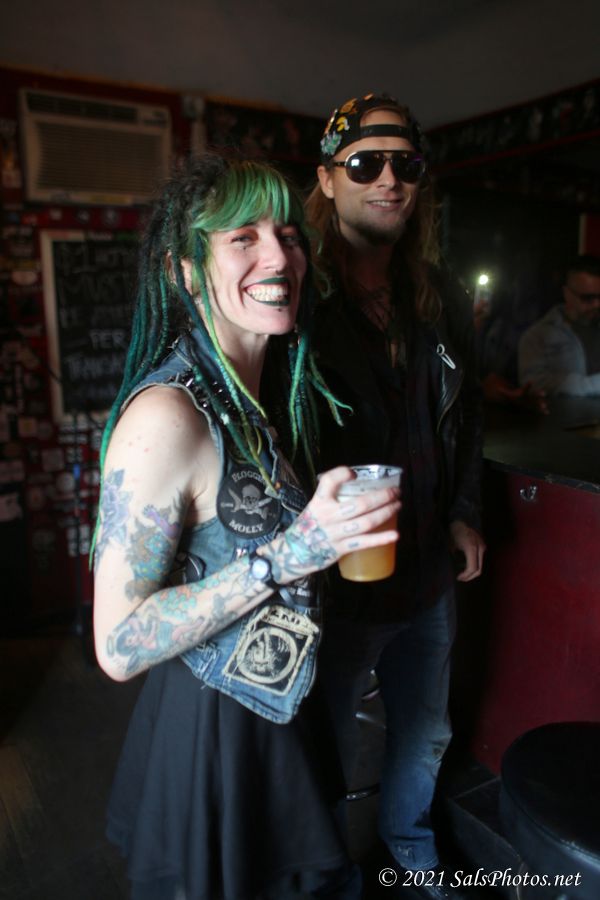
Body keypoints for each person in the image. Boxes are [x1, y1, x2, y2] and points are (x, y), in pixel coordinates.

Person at [92, 153, 401, 900]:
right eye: (242, 237)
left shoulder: (252, 395)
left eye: (288, 235)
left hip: (280, 717)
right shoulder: (167, 416)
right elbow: (118, 644)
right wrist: (295, 551)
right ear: (187, 271)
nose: (279, 256)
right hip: (216, 742)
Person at [305, 94, 485, 897]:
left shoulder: (437, 295)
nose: (389, 180)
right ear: (327, 178)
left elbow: (466, 415)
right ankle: (325, 873)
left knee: (426, 730)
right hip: (340, 579)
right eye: (365, 163)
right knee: (328, 741)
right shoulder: (300, 296)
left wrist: (465, 512)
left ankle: (411, 849)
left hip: (427, 569)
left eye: (405, 165)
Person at [518, 254, 600, 396]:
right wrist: (592, 385)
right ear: (566, 293)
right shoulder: (538, 336)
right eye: (588, 298)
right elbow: (532, 383)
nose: (597, 304)